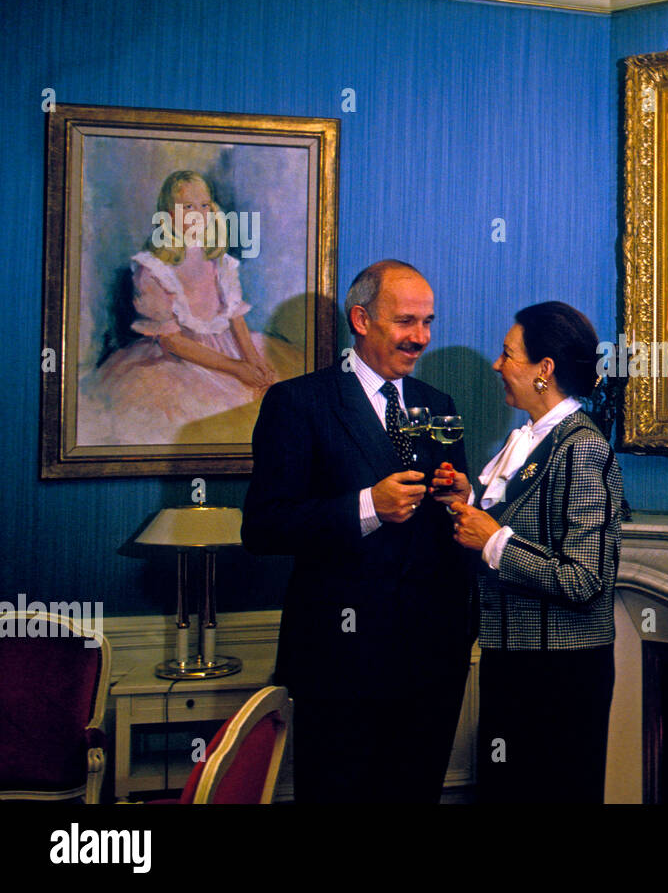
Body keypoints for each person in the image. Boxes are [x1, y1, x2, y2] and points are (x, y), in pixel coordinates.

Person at [242, 260, 474, 803]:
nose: (421, 338)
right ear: (361, 319)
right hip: (340, 665)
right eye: (406, 322)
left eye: (429, 322)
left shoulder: (439, 405)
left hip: (432, 663)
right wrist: (369, 504)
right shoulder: (297, 403)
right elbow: (264, 527)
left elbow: (447, 531)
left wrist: (461, 498)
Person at [436, 301, 623, 803]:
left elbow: (584, 581)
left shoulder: (582, 447)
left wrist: (493, 540)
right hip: (516, 663)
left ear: (545, 370)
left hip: (559, 676)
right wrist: (466, 506)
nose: (498, 364)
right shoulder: (535, 439)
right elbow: (520, 526)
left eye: (508, 354)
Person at [80, 170, 296, 445]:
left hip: (228, 347)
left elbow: (235, 317)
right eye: (188, 207)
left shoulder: (219, 260)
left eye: (204, 206)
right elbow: (172, 342)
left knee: (273, 394)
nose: (198, 214)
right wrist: (236, 368)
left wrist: (253, 362)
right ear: (168, 214)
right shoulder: (154, 269)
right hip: (181, 357)